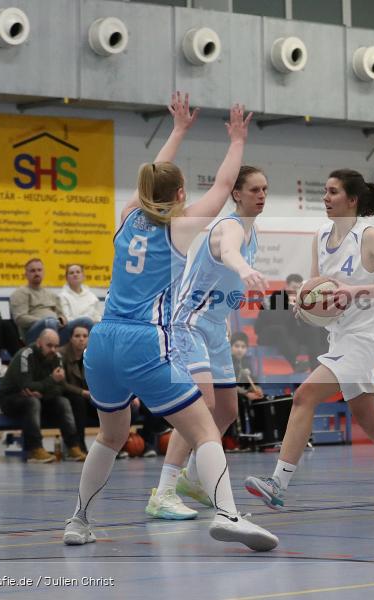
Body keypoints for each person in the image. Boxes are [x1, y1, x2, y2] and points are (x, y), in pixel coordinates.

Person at [62, 95, 277, 551]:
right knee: (204, 430)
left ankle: (78, 520)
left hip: (102, 340)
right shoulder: (179, 227)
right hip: (145, 340)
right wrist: (237, 139)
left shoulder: (127, 219)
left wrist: (177, 130)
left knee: (110, 436)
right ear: (180, 195)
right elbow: (224, 184)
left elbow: (154, 178)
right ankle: (229, 514)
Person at [245, 169, 374, 514]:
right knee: (367, 417)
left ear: (352, 200)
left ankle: (277, 483)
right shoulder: (320, 236)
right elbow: (316, 285)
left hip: (367, 337)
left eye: (333, 192)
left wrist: (356, 291)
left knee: (304, 396)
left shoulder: (370, 236)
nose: (325, 198)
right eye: (325, 191)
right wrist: (304, 306)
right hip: (340, 337)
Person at [154, 165, 268, 517]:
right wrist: (245, 269)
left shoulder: (253, 232)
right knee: (200, 406)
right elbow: (229, 253)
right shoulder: (229, 227)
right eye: (254, 190)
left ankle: (192, 478)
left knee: (227, 410)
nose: (261, 195)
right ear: (236, 194)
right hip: (188, 322)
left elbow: (224, 288)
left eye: (265, 189)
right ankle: (164, 492)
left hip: (216, 327)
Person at [0, 328, 85, 463]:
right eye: (49, 345)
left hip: (40, 397)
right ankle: (35, 449)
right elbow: (27, 386)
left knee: (63, 401)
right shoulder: (25, 355)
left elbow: (60, 388)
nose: (53, 349)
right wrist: (51, 380)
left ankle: (72, 446)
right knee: (32, 402)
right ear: (39, 343)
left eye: (56, 346)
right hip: (10, 398)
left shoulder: (57, 357)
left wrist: (43, 391)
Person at [253, 273, 328, 370]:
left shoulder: (301, 299)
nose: (296, 291)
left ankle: (316, 364)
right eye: (293, 287)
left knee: (314, 329)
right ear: (286, 286)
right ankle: (295, 363)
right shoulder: (273, 298)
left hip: (288, 334)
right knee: (280, 330)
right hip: (268, 332)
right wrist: (290, 306)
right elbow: (276, 320)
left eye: (299, 288)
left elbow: (299, 323)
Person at [10, 259, 94, 345]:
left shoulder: (51, 294)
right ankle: (54, 349)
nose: (36, 273)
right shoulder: (20, 293)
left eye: (39, 270)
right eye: (32, 271)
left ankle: (95, 351)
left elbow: (61, 315)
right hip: (34, 334)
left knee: (86, 321)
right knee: (49, 321)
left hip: (57, 329)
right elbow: (20, 318)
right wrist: (45, 320)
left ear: (43, 273)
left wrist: (61, 319)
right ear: (26, 274)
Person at [60, 325, 93, 452]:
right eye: (77, 336)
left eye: (85, 336)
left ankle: (113, 445)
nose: (81, 339)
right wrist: (82, 392)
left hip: (87, 396)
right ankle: (79, 444)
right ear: (70, 339)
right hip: (67, 395)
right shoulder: (61, 354)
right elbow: (61, 384)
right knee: (78, 401)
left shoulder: (92, 355)